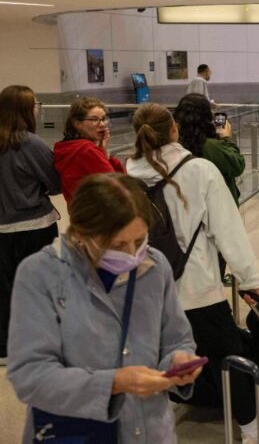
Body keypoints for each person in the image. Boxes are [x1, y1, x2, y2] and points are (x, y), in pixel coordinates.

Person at [126, 103, 259, 444]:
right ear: (173, 130)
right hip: (197, 289)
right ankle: (254, 432)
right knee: (226, 357)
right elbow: (229, 232)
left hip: (146, 289)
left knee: (157, 355)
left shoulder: (128, 174)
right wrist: (250, 280)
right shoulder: (200, 171)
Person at [7, 173, 201, 443]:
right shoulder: (41, 275)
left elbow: (177, 338)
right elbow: (30, 375)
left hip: (148, 430)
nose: (133, 255)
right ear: (83, 233)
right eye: (118, 245)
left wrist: (179, 360)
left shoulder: (155, 268)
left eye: (140, 240)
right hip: (73, 431)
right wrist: (114, 383)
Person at [0, 85, 61, 367]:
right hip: (34, 226)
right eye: (35, 103)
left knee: (5, 288)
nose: (38, 107)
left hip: (3, 231)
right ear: (26, 109)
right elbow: (55, 182)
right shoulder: (30, 143)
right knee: (38, 287)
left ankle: (6, 348)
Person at [173, 93, 245, 203]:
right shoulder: (210, 146)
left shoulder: (175, 144)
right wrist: (226, 138)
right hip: (217, 205)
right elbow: (237, 165)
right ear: (206, 117)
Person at [54, 97, 125, 205]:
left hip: (82, 215)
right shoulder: (88, 151)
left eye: (103, 118)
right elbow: (119, 187)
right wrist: (103, 154)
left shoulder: (68, 148)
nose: (102, 124)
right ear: (77, 124)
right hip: (101, 215)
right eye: (94, 119)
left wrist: (102, 151)